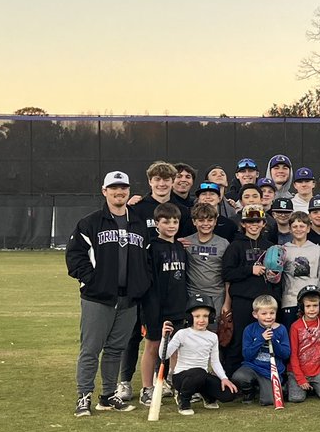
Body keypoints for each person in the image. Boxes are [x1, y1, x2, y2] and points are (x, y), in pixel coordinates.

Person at [65, 170, 149, 416]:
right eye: (113, 188)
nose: (119, 192)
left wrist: (141, 285)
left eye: (123, 188)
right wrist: (93, 282)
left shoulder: (138, 223)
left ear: (128, 191)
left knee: (116, 350)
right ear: (104, 191)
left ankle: (108, 395)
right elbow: (75, 256)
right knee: (91, 349)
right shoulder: (90, 222)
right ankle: (84, 396)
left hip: (129, 298)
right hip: (98, 298)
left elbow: (145, 258)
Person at [138, 202, 189, 406]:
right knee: (153, 346)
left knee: (176, 349)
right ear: (156, 224)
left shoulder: (179, 247)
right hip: (156, 307)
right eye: (166, 221)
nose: (171, 225)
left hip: (178, 307)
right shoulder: (152, 247)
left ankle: (173, 384)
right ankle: (147, 388)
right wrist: (150, 309)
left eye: (175, 221)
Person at [222, 205, 278, 374]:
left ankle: (263, 377)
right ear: (243, 224)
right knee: (239, 339)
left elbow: (278, 275)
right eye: (250, 221)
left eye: (258, 221)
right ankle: (235, 378)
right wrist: (249, 270)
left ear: (263, 223)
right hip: (243, 301)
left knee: (266, 340)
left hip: (266, 302)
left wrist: (274, 275)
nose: (254, 225)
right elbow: (227, 273)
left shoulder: (270, 246)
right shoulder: (235, 246)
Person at [161, 296, 238, 416]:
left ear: (211, 317)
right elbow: (163, 356)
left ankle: (207, 396)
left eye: (205, 316)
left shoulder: (212, 337)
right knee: (199, 373)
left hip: (201, 376)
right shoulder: (182, 334)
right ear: (190, 317)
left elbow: (215, 361)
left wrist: (224, 378)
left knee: (229, 394)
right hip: (181, 377)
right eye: (197, 316)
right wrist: (164, 338)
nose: (201, 320)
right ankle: (184, 400)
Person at [231, 294, 291, 407]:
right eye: (264, 313)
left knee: (268, 401)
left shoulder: (281, 329)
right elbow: (247, 355)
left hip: (269, 371)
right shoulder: (249, 329)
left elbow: (286, 354)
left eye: (272, 313)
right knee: (239, 376)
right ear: (255, 314)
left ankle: (272, 388)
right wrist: (261, 339)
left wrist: (273, 340)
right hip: (253, 367)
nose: (268, 317)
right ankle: (248, 392)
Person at [287, 285, 320, 402]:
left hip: (316, 370)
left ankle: (319, 386)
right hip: (297, 371)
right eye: (308, 306)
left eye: (315, 306)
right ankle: (290, 386)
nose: (312, 309)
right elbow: (293, 355)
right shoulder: (295, 327)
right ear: (302, 307)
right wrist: (300, 378)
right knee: (296, 398)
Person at [182, 202, 230, 315]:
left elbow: (228, 276)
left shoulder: (224, 243)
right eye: (201, 220)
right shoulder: (186, 242)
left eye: (209, 220)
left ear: (215, 222)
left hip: (217, 295)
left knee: (214, 330)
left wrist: (227, 302)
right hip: (192, 294)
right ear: (194, 221)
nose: (206, 224)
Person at [279, 213, 320, 326]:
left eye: (302, 226)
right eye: (295, 226)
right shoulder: (283, 250)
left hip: (312, 301)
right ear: (290, 229)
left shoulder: (318, 250)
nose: (298, 229)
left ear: (308, 228)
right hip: (290, 301)